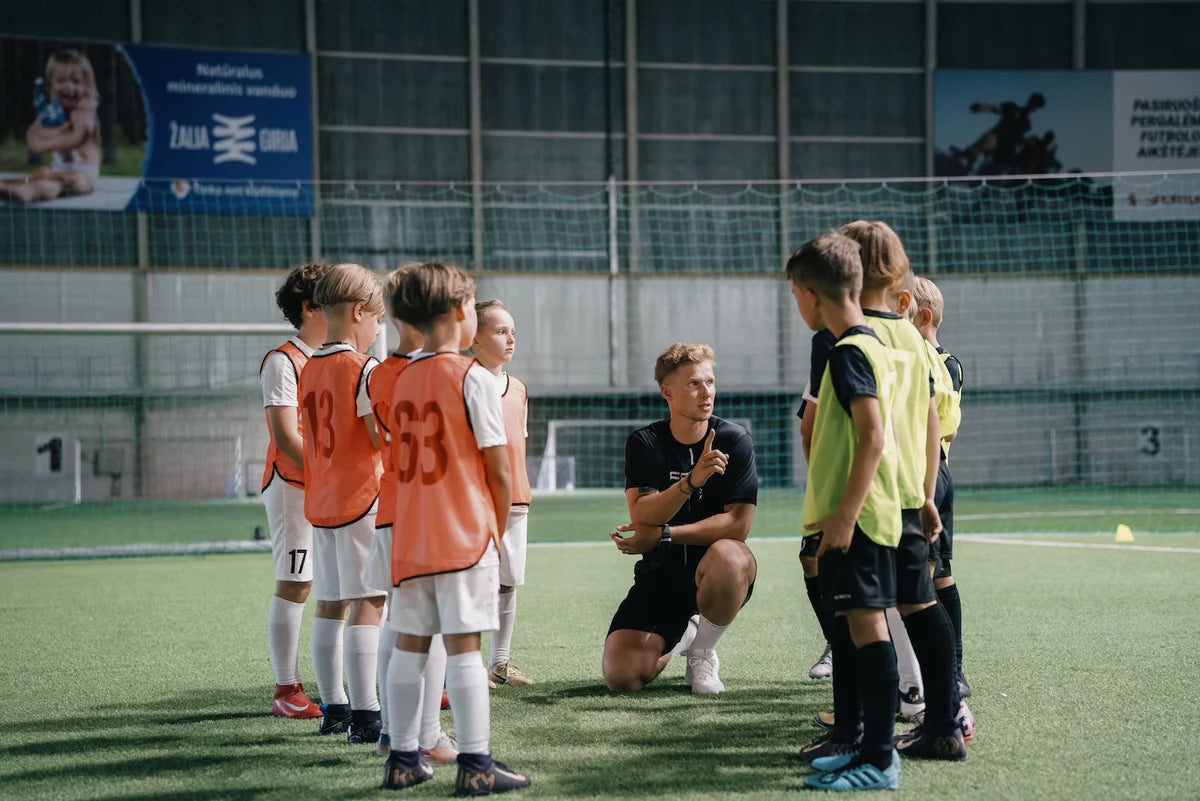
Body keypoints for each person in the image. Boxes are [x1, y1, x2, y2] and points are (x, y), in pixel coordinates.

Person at [379, 262, 530, 794]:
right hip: (461, 535)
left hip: (410, 535)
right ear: (460, 311)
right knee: (464, 648)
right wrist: (493, 529)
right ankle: (477, 765)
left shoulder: (402, 378)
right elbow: (499, 470)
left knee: (410, 644)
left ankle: (402, 758)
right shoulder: (472, 378)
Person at [839, 221, 966, 761]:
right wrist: (927, 491)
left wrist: (841, 510)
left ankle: (868, 741)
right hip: (916, 487)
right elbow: (932, 421)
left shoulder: (850, 340)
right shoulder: (914, 340)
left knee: (866, 611)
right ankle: (944, 716)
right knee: (919, 598)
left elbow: (861, 434)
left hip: (870, 496)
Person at [786, 231, 903, 791]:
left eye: (795, 295)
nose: (797, 306)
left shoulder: (850, 351)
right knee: (858, 632)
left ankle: (879, 759)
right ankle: (862, 747)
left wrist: (844, 516)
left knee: (868, 630)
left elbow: (874, 437)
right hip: (865, 513)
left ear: (811, 294)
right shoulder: (871, 343)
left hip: (859, 519)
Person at [604, 343, 758, 695]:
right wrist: (691, 482)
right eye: (694, 384)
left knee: (730, 556)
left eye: (710, 382)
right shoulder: (645, 442)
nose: (706, 392)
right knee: (622, 678)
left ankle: (702, 651)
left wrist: (665, 535)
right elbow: (642, 513)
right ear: (667, 392)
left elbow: (738, 526)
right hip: (660, 578)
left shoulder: (735, 440)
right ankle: (686, 632)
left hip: (715, 574)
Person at [364, 265, 457, 764]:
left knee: (396, 621)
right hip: (427, 513)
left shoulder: (378, 373)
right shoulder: (440, 372)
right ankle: (427, 735)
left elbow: (377, 442)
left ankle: (390, 730)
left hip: (390, 504)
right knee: (431, 625)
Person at [299, 263, 387, 745]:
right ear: (358, 312)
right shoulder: (364, 368)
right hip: (361, 499)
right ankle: (367, 714)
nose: (378, 329)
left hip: (322, 501)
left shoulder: (309, 365)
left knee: (330, 604)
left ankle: (334, 707)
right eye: (377, 319)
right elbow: (377, 438)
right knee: (369, 602)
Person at [259, 260, 330, 719]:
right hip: (293, 485)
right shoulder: (282, 361)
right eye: (334, 299)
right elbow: (287, 437)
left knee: (348, 586)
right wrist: (333, 473)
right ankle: (286, 689)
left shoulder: (339, 359)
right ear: (309, 307)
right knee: (297, 582)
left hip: (334, 488)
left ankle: (356, 686)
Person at [907, 276, 971, 704]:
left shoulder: (941, 363)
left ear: (922, 317)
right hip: (925, 474)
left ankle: (949, 673)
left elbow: (941, 425)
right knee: (931, 576)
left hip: (927, 476)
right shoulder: (921, 358)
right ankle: (935, 674)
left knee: (928, 579)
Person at [471, 300, 534, 688]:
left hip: (515, 501)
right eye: (500, 331)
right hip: (475, 502)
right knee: (474, 580)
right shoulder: (462, 383)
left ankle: (500, 663)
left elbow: (518, 443)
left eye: (513, 332)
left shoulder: (519, 389)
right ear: (474, 338)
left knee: (507, 581)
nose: (510, 339)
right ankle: (467, 664)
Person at [0, 50, 100, 204]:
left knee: (65, 182)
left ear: (87, 86)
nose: (68, 87)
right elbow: (33, 136)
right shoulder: (53, 111)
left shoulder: (84, 111)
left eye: (75, 81)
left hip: (83, 173)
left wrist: (47, 140)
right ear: (50, 85)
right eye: (61, 81)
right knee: (42, 174)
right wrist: (55, 132)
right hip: (57, 171)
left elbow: (78, 136)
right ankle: (8, 186)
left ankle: (30, 191)